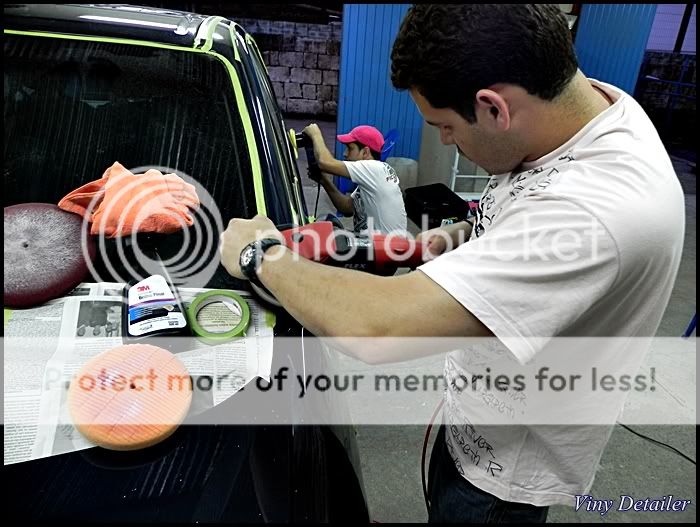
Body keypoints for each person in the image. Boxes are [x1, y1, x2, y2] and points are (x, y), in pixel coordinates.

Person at [220, 4, 685, 523]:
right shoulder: (580, 108)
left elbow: (378, 327)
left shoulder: (593, 212)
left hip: (501, 476)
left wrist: (261, 253)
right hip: (482, 421)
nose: (444, 139)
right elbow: (528, 214)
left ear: (493, 108)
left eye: (443, 125)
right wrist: (467, 238)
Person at [303, 123, 408, 235]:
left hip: (385, 249)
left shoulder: (375, 169)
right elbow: (347, 208)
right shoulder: (372, 177)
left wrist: (315, 134)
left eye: (349, 148)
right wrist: (324, 181)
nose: (345, 154)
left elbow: (325, 162)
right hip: (377, 246)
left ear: (365, 152)